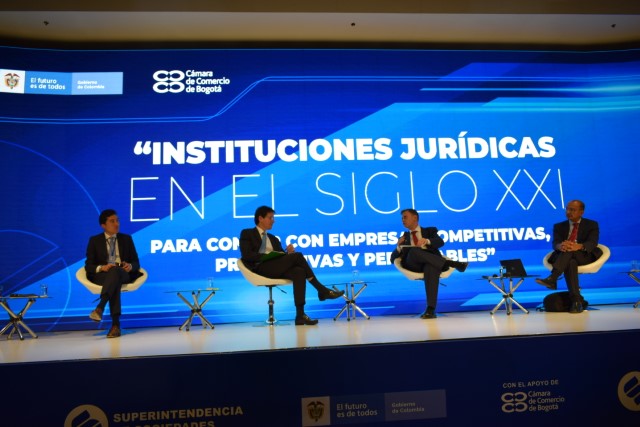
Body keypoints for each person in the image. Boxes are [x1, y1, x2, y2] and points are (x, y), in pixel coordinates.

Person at [239, 206, 344, 325]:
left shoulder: (273, 238)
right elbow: (247, 255)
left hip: (275, 268)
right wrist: (266, 256)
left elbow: (280, 256)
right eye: (270, 218)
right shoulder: (247, 233)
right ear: (260, 218)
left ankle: (300, 315)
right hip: (260, 268)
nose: (273, 220)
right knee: (297, 256)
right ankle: (321, 290)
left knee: (299, 271)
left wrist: (287, 253)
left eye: (273, 218)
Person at [390, 209, 468, 319]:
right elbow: (392, 259)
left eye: (405, 217)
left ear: (415, 218)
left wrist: (427, 241)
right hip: (413, 265)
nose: (403, 220)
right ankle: (452, 263)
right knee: (414, 251)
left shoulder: (430, 231)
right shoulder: (404, 237)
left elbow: (440, 242)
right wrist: (398, 246)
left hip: (432, 263)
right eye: (402, 218)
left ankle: (430, 309)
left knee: (431, 267)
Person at [536, 200, 602, 313]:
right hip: (564, 256)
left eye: (572, 210)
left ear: (581, 212)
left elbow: (592, 242)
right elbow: (555, 243)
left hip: (584, 255)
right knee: (570, 261)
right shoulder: (559, 226)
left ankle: (553, 277)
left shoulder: (591, 224)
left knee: (570, 252)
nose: (568, 212)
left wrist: (579, 246)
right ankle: (576, 302)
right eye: (567, 209)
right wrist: (561, 246)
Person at [84, 209, 141, 338]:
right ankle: (115, 325)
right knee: (114, 279)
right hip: (103, 275)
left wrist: (130, 266)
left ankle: (100, 307)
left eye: (117, 220)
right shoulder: (94, 240)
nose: (117, 224)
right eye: (112, 221)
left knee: (115, 272)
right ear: (103, 225)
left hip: (123, 273)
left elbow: (136, 263)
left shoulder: (126, 239)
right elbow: (88, 265)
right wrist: (102, 267)